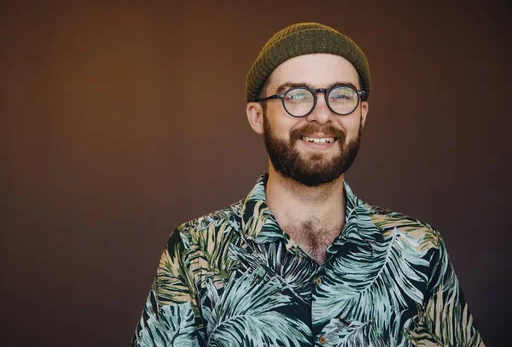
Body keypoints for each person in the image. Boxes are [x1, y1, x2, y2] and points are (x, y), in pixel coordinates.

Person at [132, 23, 485, 346]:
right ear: (258, 116)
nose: (321, 114)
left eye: (342, 95)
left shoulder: (418, 250)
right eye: (297, 95)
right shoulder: (195, 252)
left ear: (362, 114)